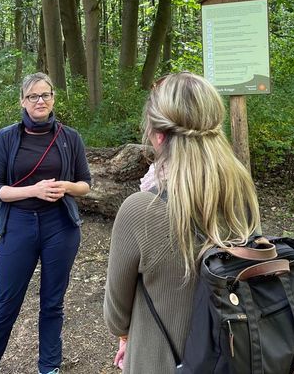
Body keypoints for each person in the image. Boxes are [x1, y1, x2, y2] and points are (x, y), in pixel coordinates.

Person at [103, 72, 261, 373]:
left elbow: (115, 316)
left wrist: (126, 336)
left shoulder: (140, 210)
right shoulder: (242, 195)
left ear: (158, 135)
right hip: (230, 358)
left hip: (160, 362)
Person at [0, 72, 91, 374]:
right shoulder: (7, 137)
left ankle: (49, 368)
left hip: (60, 227)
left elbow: (85, 185)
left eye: (46, 95)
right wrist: (33, 191)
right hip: (19, 226)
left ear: (53, 98)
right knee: (5, 305)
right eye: (33, 96)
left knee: (52, 303)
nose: (40, 101)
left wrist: (66, 186)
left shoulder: (70, 137)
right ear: (22, 101)